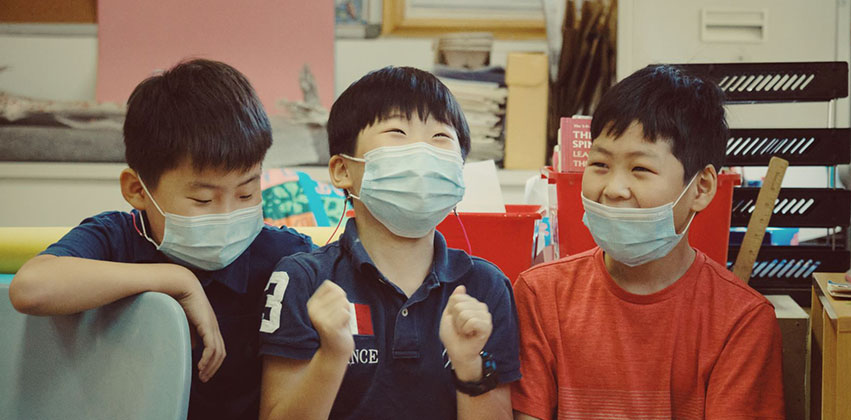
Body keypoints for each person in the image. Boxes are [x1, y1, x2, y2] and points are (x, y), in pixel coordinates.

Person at [10, 59, 315, 420]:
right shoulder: (117, 238)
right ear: (137, 190)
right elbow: (31, 288)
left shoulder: (285, 257)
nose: (229, 213)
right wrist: (176, 280)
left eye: (246, 193)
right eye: (203, 199)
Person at [512, 65, 785, 419]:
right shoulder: (540, 296)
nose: (613, 189)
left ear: (701, 188)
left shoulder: (741, 320)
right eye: (599, 164)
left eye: (640, 169)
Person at [257, 66, 520, 420]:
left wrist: (470, 366)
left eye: (440, 136)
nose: (422, 153)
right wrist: (331, 357)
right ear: (342, 170)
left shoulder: (485, 287)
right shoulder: (302, 279)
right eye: (398, 131)